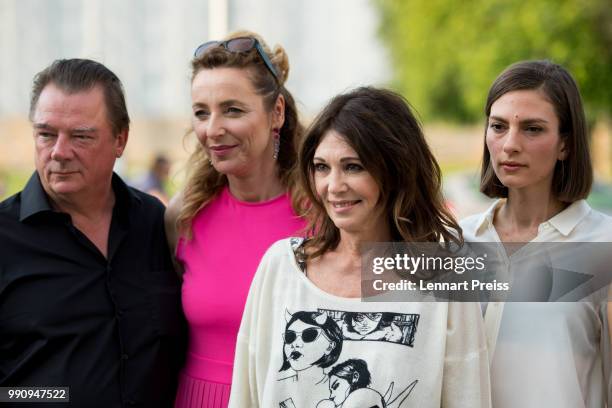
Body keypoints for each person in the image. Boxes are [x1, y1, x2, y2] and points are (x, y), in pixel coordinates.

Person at [229, 87, 491, 407]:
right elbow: (246, 396)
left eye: (353, 166)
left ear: (396, 171)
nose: (334, 186)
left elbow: (467, 397)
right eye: (322, 167)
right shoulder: (280, 267)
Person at [0, 59, 186, 407]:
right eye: (46, 134)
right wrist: (52, 396)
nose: (59, 152)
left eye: (81, 136)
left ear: (121, 139)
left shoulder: (154, 222)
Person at [165, 31, 306, 408]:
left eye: (232, 110)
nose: (212, 129)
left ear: (276, 112)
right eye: (201, 112)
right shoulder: (184, 217)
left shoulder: (326, 214)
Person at [460, 60, 612, 407]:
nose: (509, 144)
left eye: (532, 129)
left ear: (566, 145)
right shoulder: (458, 242)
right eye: (498, 126)